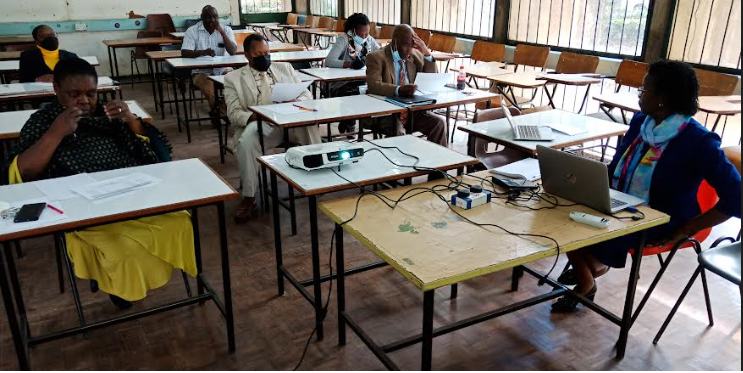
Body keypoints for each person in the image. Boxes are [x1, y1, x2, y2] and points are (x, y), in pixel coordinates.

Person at [551, 61, 741, 312]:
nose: (639, 95)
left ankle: (586, 277)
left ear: (662, 99)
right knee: (562, 208)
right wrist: (585, 183)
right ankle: (590, 271)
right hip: (621, 202)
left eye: (644, 90)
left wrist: (688, 228)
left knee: (593, 225)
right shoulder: (642, 122)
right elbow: (617, 166)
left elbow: (737, 197)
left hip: (660, 218)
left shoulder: (699, 141)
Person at [6, 58, 196, 309]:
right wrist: (56, 132)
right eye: (74, 94)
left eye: (91, 93)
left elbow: (156, 155)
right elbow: (23, 173)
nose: (84, 101)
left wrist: (130, 119)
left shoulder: (109, 115)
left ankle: (124, 280)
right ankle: (120, 285)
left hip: (132, 198)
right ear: (56, 90)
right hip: (83, 211)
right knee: (125, 248)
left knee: (179, 220)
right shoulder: (44, 121)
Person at [224, 34, 321, 222]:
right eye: (259, 54)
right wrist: (254, 115)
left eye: (267, 53)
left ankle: (319, 179)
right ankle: (249, 197)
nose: (265, 57)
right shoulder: (233, 79)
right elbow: (233, 113)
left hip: (290, 118)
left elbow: (306, 95)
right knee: (247, 141)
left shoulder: (284, 68)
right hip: (262, 123)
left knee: (309, 124)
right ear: (248, 56)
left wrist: (295, 102)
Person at [365, 24, 448, 146]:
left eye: (412, 45)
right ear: (395, 42)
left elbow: (431, 78)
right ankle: (402, 164)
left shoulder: (415, 55)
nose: (409, 50)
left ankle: (437, 162)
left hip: (412, 111)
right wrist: (399, 90)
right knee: (398, 132)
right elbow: (373, 85)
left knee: (439, 123)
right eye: (405, 45)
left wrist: (426, 53)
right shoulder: (376, 57)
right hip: (387, 113)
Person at [324, 13, 380, 134]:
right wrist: (349, 64)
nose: (365, 36)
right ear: (353, 30)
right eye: (362, 34)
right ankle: (350, 120)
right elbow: (329, 61)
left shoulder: (369, 40)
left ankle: (351, 120)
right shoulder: (343, 39)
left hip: (361, 80)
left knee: (366, 91)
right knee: (352, 93)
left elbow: (381, 54)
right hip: (341, 82)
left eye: (367, 33)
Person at [181, 5, 237, 114]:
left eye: (215, 17)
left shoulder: (226, 29)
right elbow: (185, 53)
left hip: (223, 69)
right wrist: (203, 52)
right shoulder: (192, 31)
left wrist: (222, 33)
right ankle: (220, 112)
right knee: (209, 88)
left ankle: (218, 111)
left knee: (237, 84)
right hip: (200, 72)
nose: (212, 20)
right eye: (208, 17)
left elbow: (232, 51)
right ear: (201, 17)